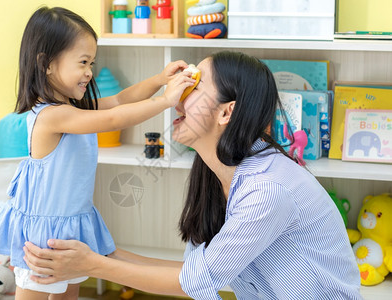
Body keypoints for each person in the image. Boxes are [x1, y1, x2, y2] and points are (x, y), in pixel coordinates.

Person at [22, 51, 363, 299]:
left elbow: (194, 280)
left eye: (193, 87)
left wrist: (94, 265)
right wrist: (97, 255)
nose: (178, 99)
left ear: (226, 112)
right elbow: (191, 270)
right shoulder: (219, 174)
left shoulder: (267, 190)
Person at [0, 6, 194, 300]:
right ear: (46, 64)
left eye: (91, 63)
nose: (89, 72)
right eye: (83, 62)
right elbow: (113, 119)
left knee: (70, 293)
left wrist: (160, 79)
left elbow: (121, 99)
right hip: (45, 231)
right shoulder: (51, 117)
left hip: (72, 223)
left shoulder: (73, 110)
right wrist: (165, 101)